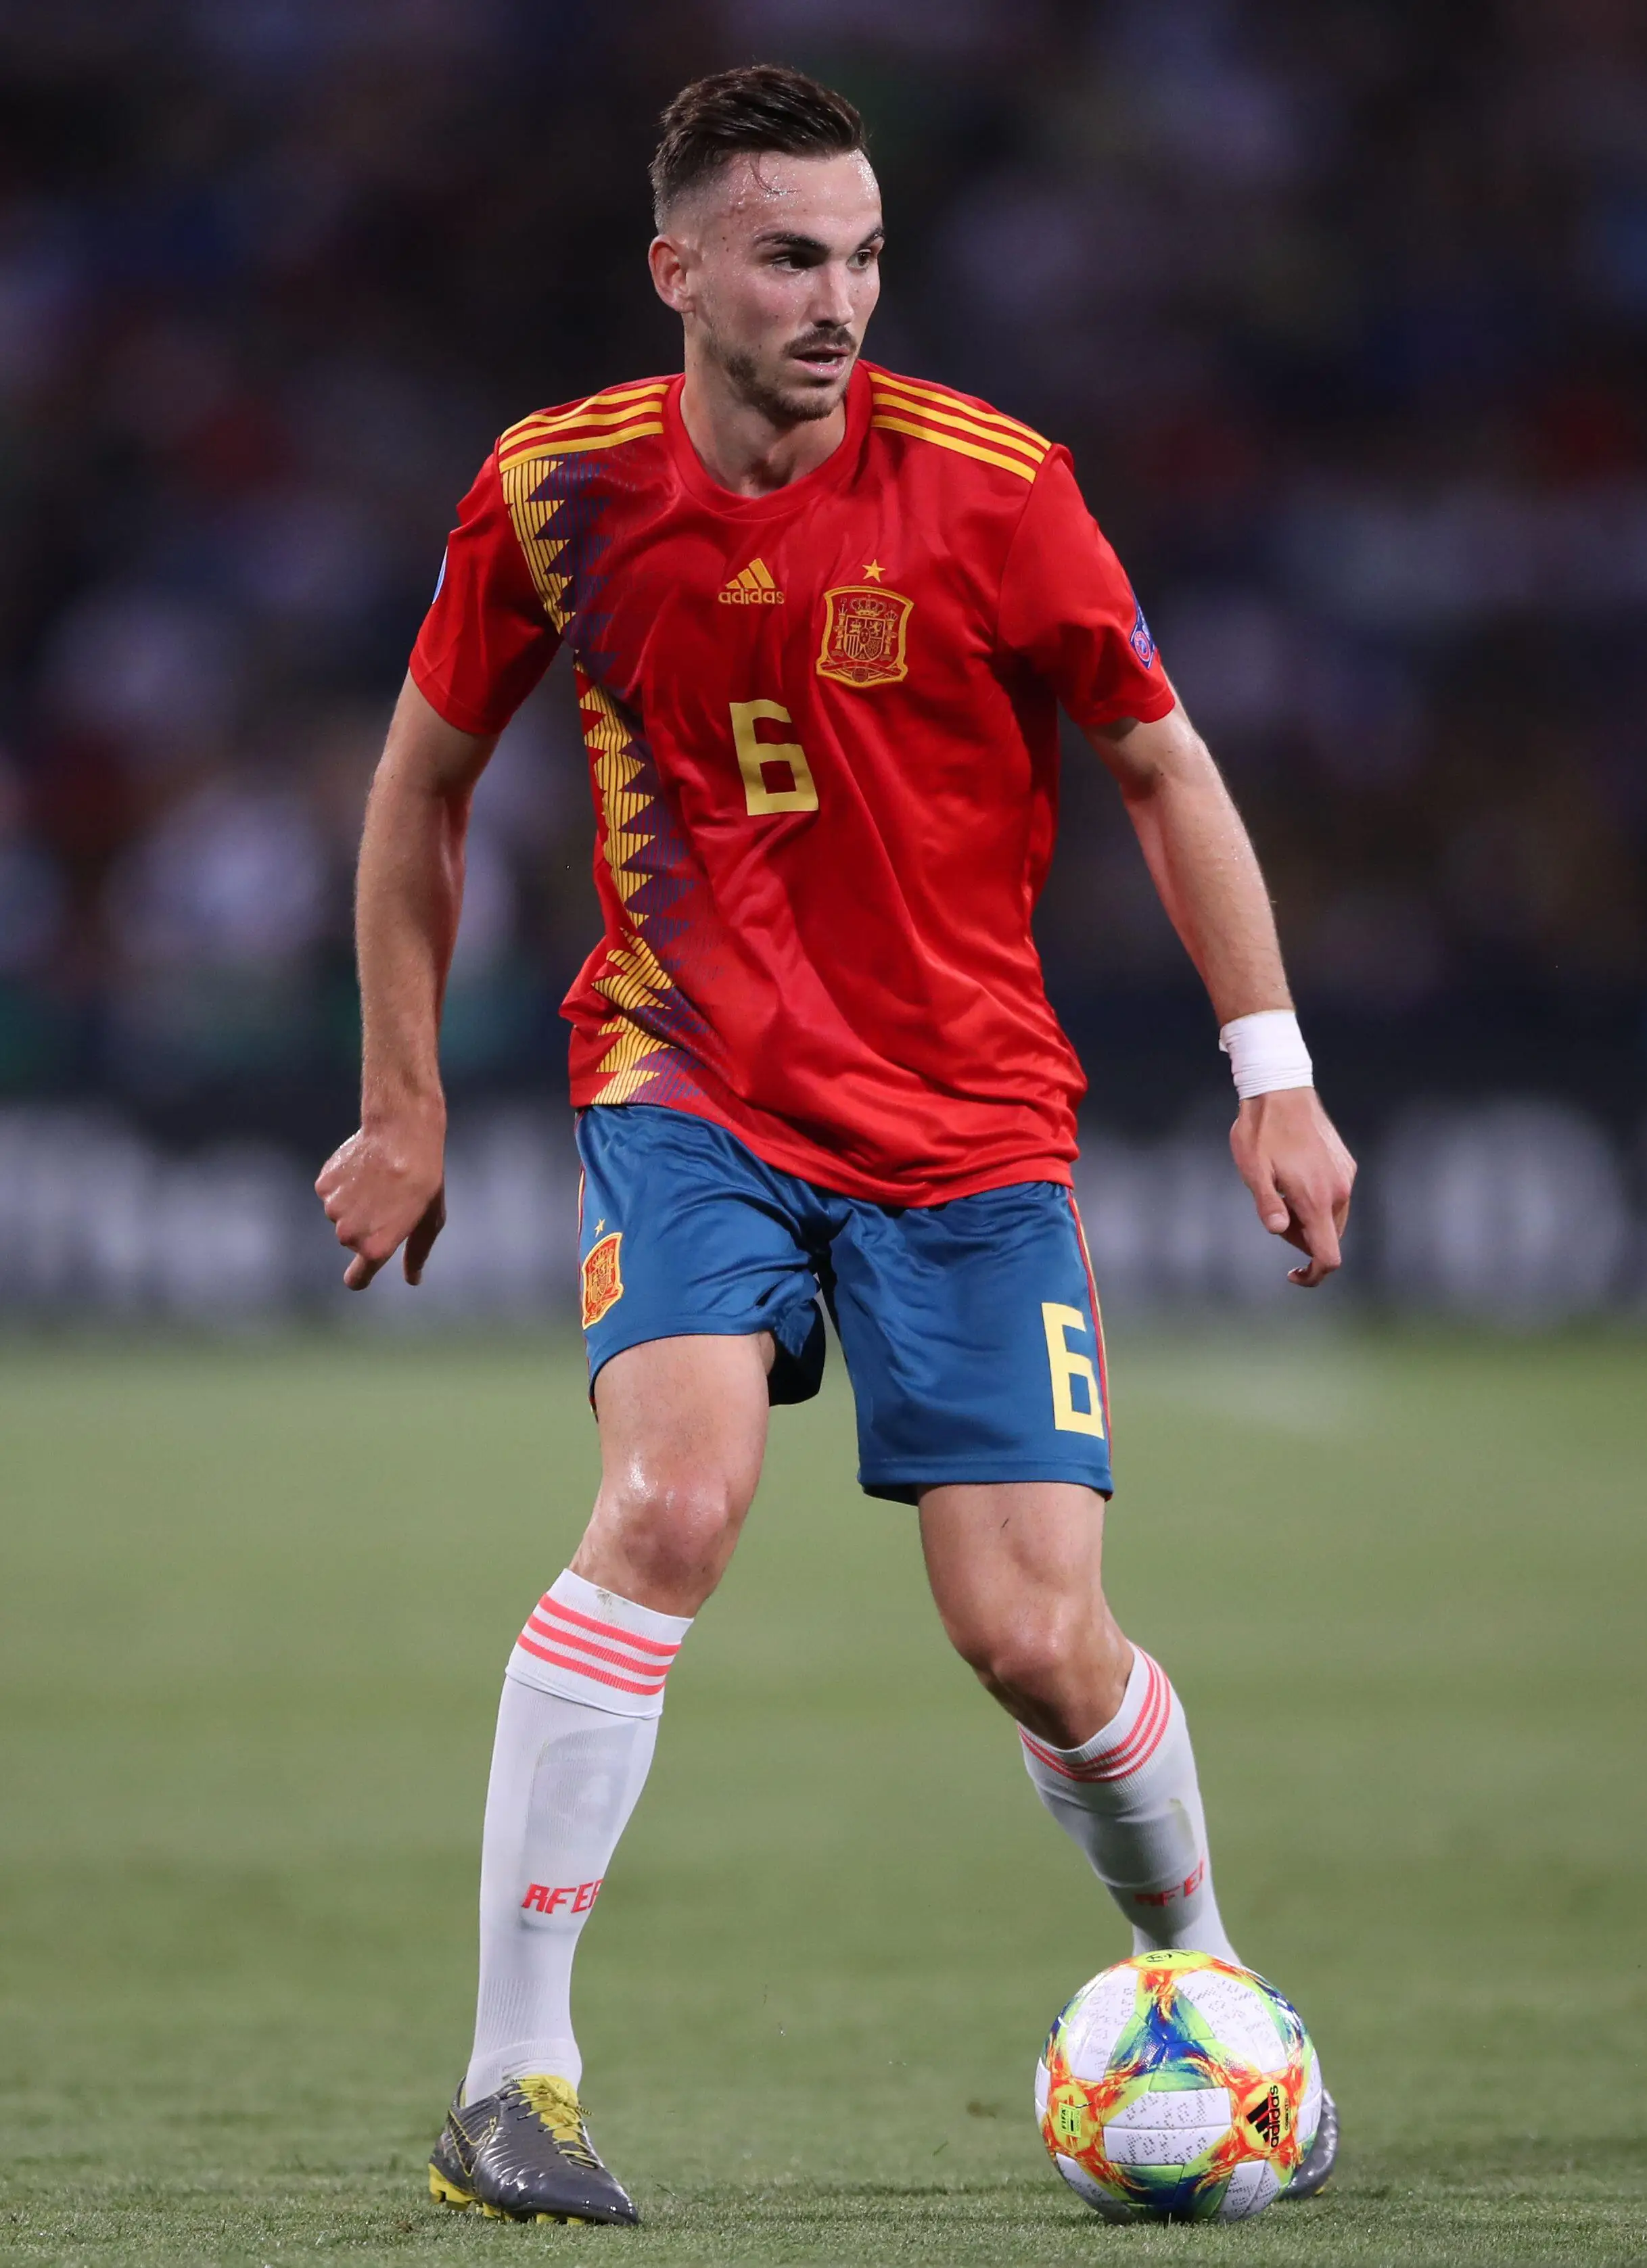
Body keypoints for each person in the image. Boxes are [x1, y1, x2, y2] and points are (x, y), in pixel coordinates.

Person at [316, 62, 1356, 2228]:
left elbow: (1165, 769)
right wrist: (404, 1102)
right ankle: (517, 2083)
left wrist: (1274, 1068)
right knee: (672, 1501)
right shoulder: (554, 492)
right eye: (793, 254)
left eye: (866, 252)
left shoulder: (998, 490)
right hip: (685, 1082)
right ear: (676, 266)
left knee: (1032, 1637)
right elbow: (422, 783)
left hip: (969, 1123)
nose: (840, 296)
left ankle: (1205, 1975)